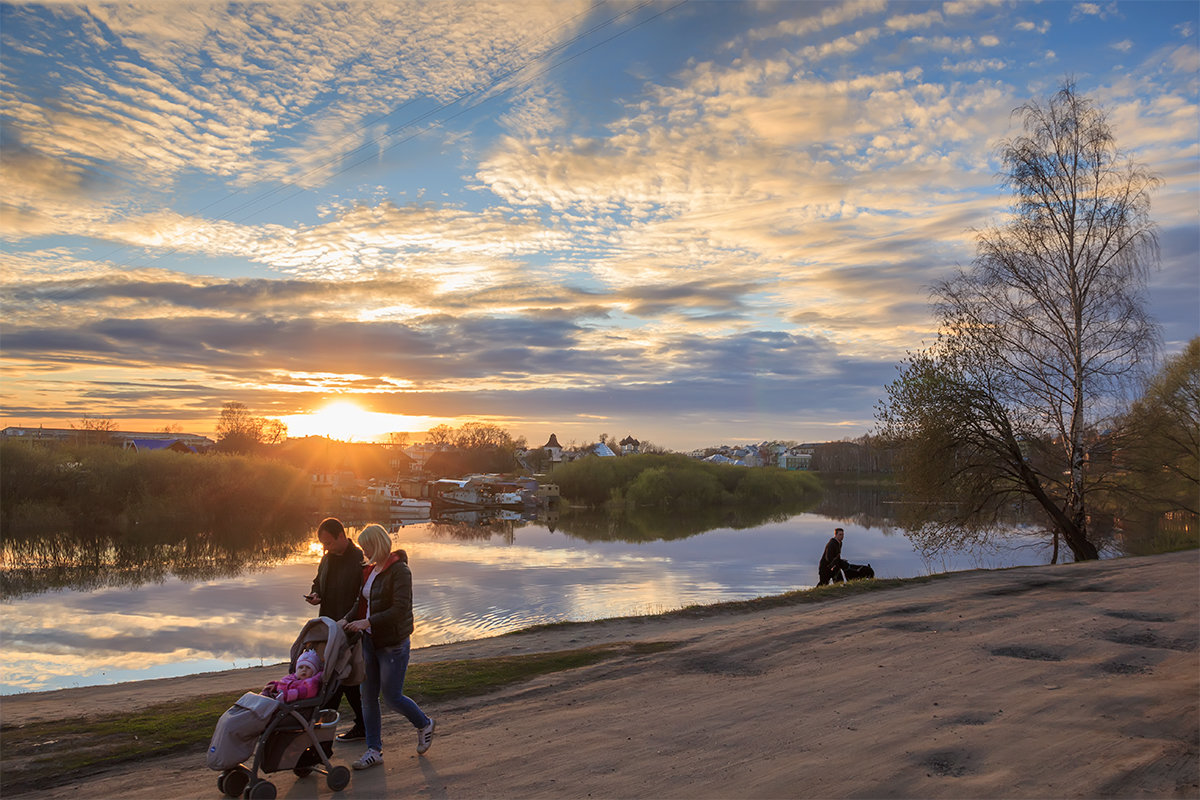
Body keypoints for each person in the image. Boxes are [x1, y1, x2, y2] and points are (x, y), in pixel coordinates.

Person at [340, 523, 435, 771]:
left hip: (393, 644)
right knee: (367, 698)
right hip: (369, 642)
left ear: (378, 543)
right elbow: (362, 602)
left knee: (392, 698)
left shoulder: (400, 571)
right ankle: (373, 750)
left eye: (367, 547)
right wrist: (346, 619)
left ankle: (424, 724)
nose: (364, 552)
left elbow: (399, 609)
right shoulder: (370, 570)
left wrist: (367, 621)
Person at [306, 517, 367, 741]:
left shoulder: (360, 559)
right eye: (323, 544)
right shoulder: (327, 558)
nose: (326, 548)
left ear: (342, 536)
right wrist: (316, 594)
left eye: (329, 543)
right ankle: (357, 726)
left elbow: (363, 598)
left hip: (349, 628)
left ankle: (321, 734)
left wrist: (348, 621)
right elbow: (318, 582)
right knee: (337, 678)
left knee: (339, 678)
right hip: (328, 626)